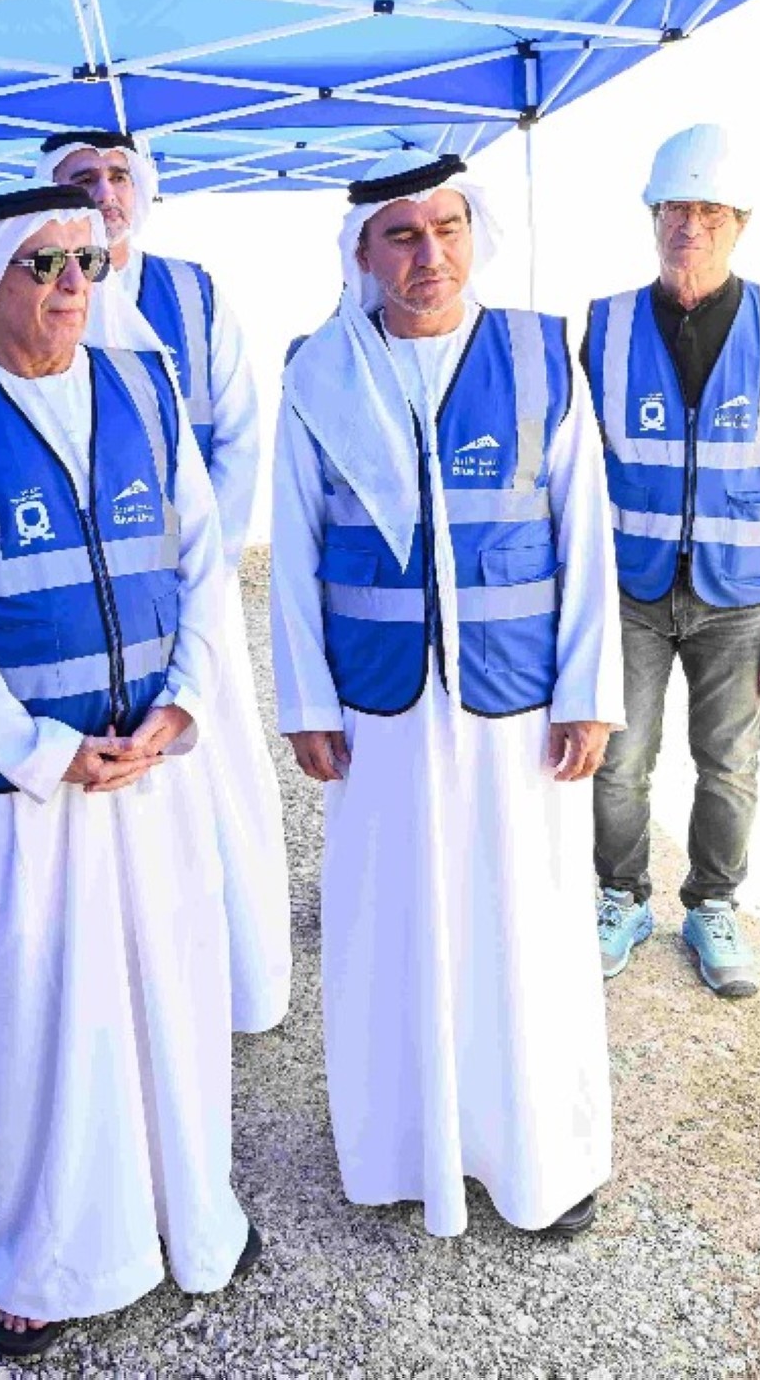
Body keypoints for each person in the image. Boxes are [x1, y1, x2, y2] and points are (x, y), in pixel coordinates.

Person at [0, 181, 258, 1356]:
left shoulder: (145, 386)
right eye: (40, 265)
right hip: (27, 790)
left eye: (84, 262)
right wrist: (44, 750)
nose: (68, 288)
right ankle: (45, 1255)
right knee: (36, 1011)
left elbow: (202, 562)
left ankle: (190, 1219)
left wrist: (182, 707)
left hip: (151, 767)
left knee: (173, 991)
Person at [270, 149, 622, 1239]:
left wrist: (589, 689)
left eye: (448, 228)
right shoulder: (318, 370)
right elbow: (292, 542)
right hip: (379, 713)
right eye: (402, 235)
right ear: (362, 253)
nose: (429, 255)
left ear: (477, 234)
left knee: (527, 929)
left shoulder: (536, 351)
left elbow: (585, 531)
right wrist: (307, 700)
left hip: (517, 709)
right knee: (387, 928)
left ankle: (535, 1160)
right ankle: (399, 1152)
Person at [41, 128, 292, 1032]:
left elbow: (238, 432)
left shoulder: (192, 290)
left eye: (115, 175)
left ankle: (242, 981)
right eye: (80, 179)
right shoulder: (37, 287)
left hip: (197, 585)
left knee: (221, 773)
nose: (102, 191)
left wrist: (204, 572)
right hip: (95, 606)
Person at [585, 124, 760, 999]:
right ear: (653, 216)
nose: (691, 224)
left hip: (743, 597)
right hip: (634, 586)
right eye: (676, 208)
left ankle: (712, 904)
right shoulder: (607, 325)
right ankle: (618, 896)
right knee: (619, 758)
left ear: (740, 224)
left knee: (729, 762)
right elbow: (576, 465)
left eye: (710, 210)